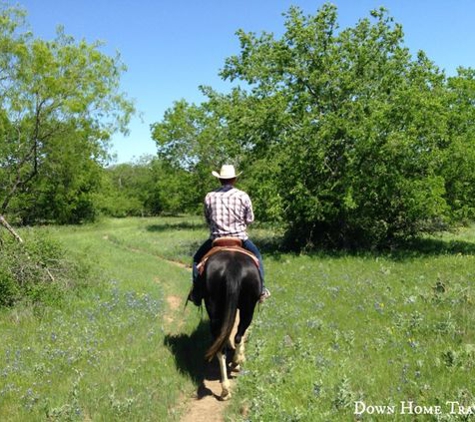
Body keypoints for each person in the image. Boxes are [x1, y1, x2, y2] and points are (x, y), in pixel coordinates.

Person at [188, 164, 271, 306]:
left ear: (219, 179)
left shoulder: (210, 196)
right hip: (240, 239)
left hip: (216, 239)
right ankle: (262, 290)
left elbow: (208, 219)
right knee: (257, 257)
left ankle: (196, 293)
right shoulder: (242, 196)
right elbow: (250, 219)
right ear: (234, 179)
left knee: (196, 260)